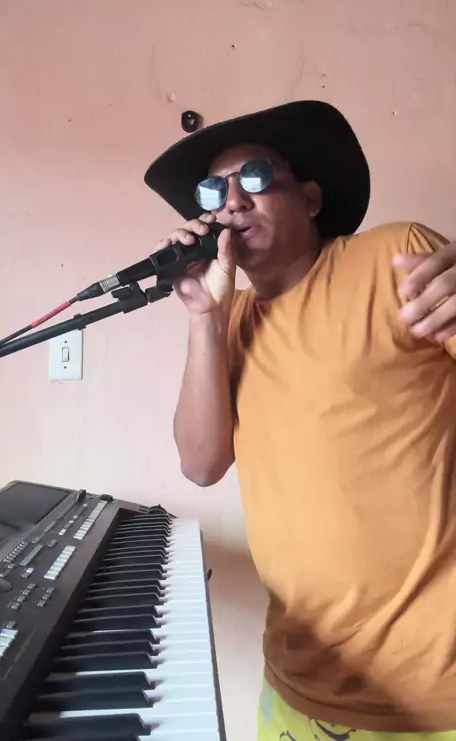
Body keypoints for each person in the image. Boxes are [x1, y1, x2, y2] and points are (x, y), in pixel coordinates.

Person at [144, 101, 456, 741]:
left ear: (310, 199)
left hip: (436, 693)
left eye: (256, 177)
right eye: (213, 192)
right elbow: (200, 464)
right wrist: (204, 318)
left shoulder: (394, 256)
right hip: (297, 682)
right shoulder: (229, 321)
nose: (233, 200)